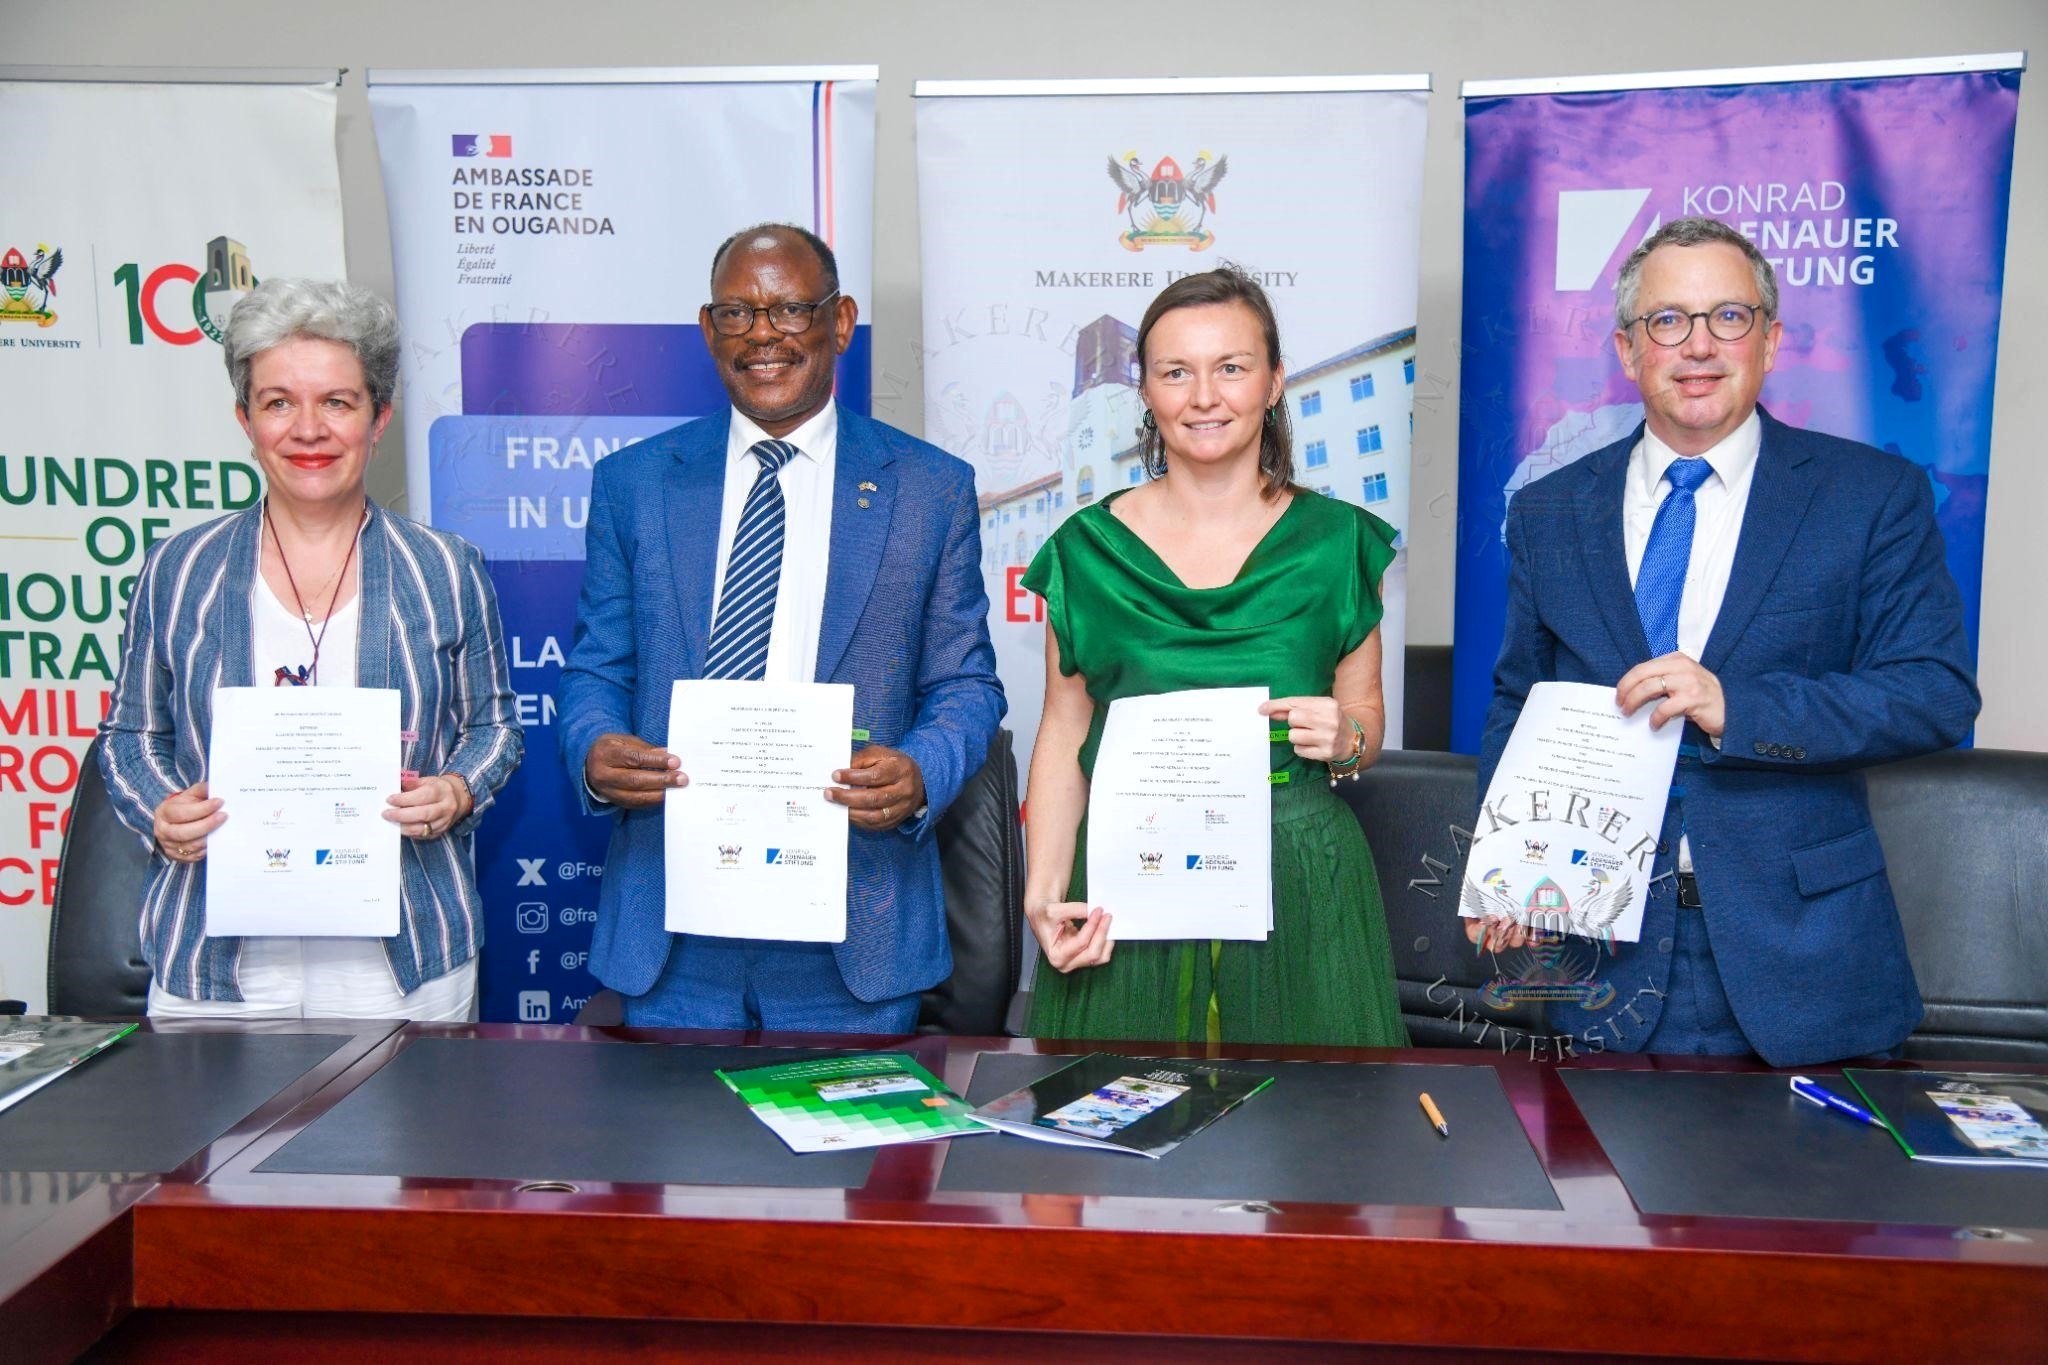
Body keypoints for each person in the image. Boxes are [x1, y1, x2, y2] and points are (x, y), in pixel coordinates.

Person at [1477, 216, 1979, 1066]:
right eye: (1668, 321)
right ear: (1629, 351)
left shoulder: (1872, 495)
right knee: (1598, 1199)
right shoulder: (1548, 509)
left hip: (1807, 957)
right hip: (1601, 955)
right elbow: (1517, 700)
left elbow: (1934, 690)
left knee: (1817, 1200)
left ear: (1773, 340)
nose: (1698, 345)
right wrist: (1502, 866)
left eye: (1729, 318)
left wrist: (1734, 705)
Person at [557, 223, 1004, 1032]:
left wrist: (922, 771)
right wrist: (594, 748)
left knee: (851, 1164)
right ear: (708, 330)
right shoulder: (635, 484)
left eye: (792, 309)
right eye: (737, 313)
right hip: (675, 934)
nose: (763, 334)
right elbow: (597, 668)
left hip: (854, 936)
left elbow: (966, 683)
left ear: (839, 324)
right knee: (678, 1156)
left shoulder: (931, 489)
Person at [99, 278, 523, 1019]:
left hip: (404, 960)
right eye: (278, 402)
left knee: (408, 1140)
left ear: (379, 416)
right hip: (219, 964)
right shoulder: (178, 568)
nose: (308, 429)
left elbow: (495, 727)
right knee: (215, 1141)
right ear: (245, 418)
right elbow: (131, 733)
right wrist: (161, 809)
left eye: (337, 401)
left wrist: (456, 791)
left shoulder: (446, 567)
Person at [1021, 266, 1407, 1047]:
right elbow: (1064, 734)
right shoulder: (1085, 553)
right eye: (1175, 372)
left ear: (1273, 383)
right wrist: (1042, 887)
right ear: (1147, 393)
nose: (1204, 396)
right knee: (1116, 1136)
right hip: (1132, 876)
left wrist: (1346, 739)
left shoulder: (1339, 543)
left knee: (1313, 1145)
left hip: (1301, 880)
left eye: (1231, 367)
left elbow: (1366, 721)